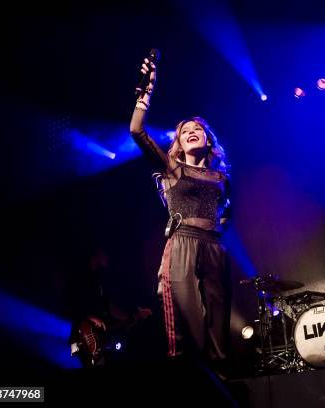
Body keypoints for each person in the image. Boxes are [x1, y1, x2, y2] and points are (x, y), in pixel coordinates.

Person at [129, 56, 231, 375]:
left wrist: (219, 231)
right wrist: (146, 94)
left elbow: (229, 211)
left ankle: (220, 378)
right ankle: (190, 377)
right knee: (190, 321)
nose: (191, 132)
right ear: (178, 142)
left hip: (214, 246)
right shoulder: (172, 168)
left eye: (197, 129)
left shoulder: (221, 178)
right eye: (185, 130)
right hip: (183, 242)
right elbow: (137, 131)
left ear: (208, 139)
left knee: (218, 320)